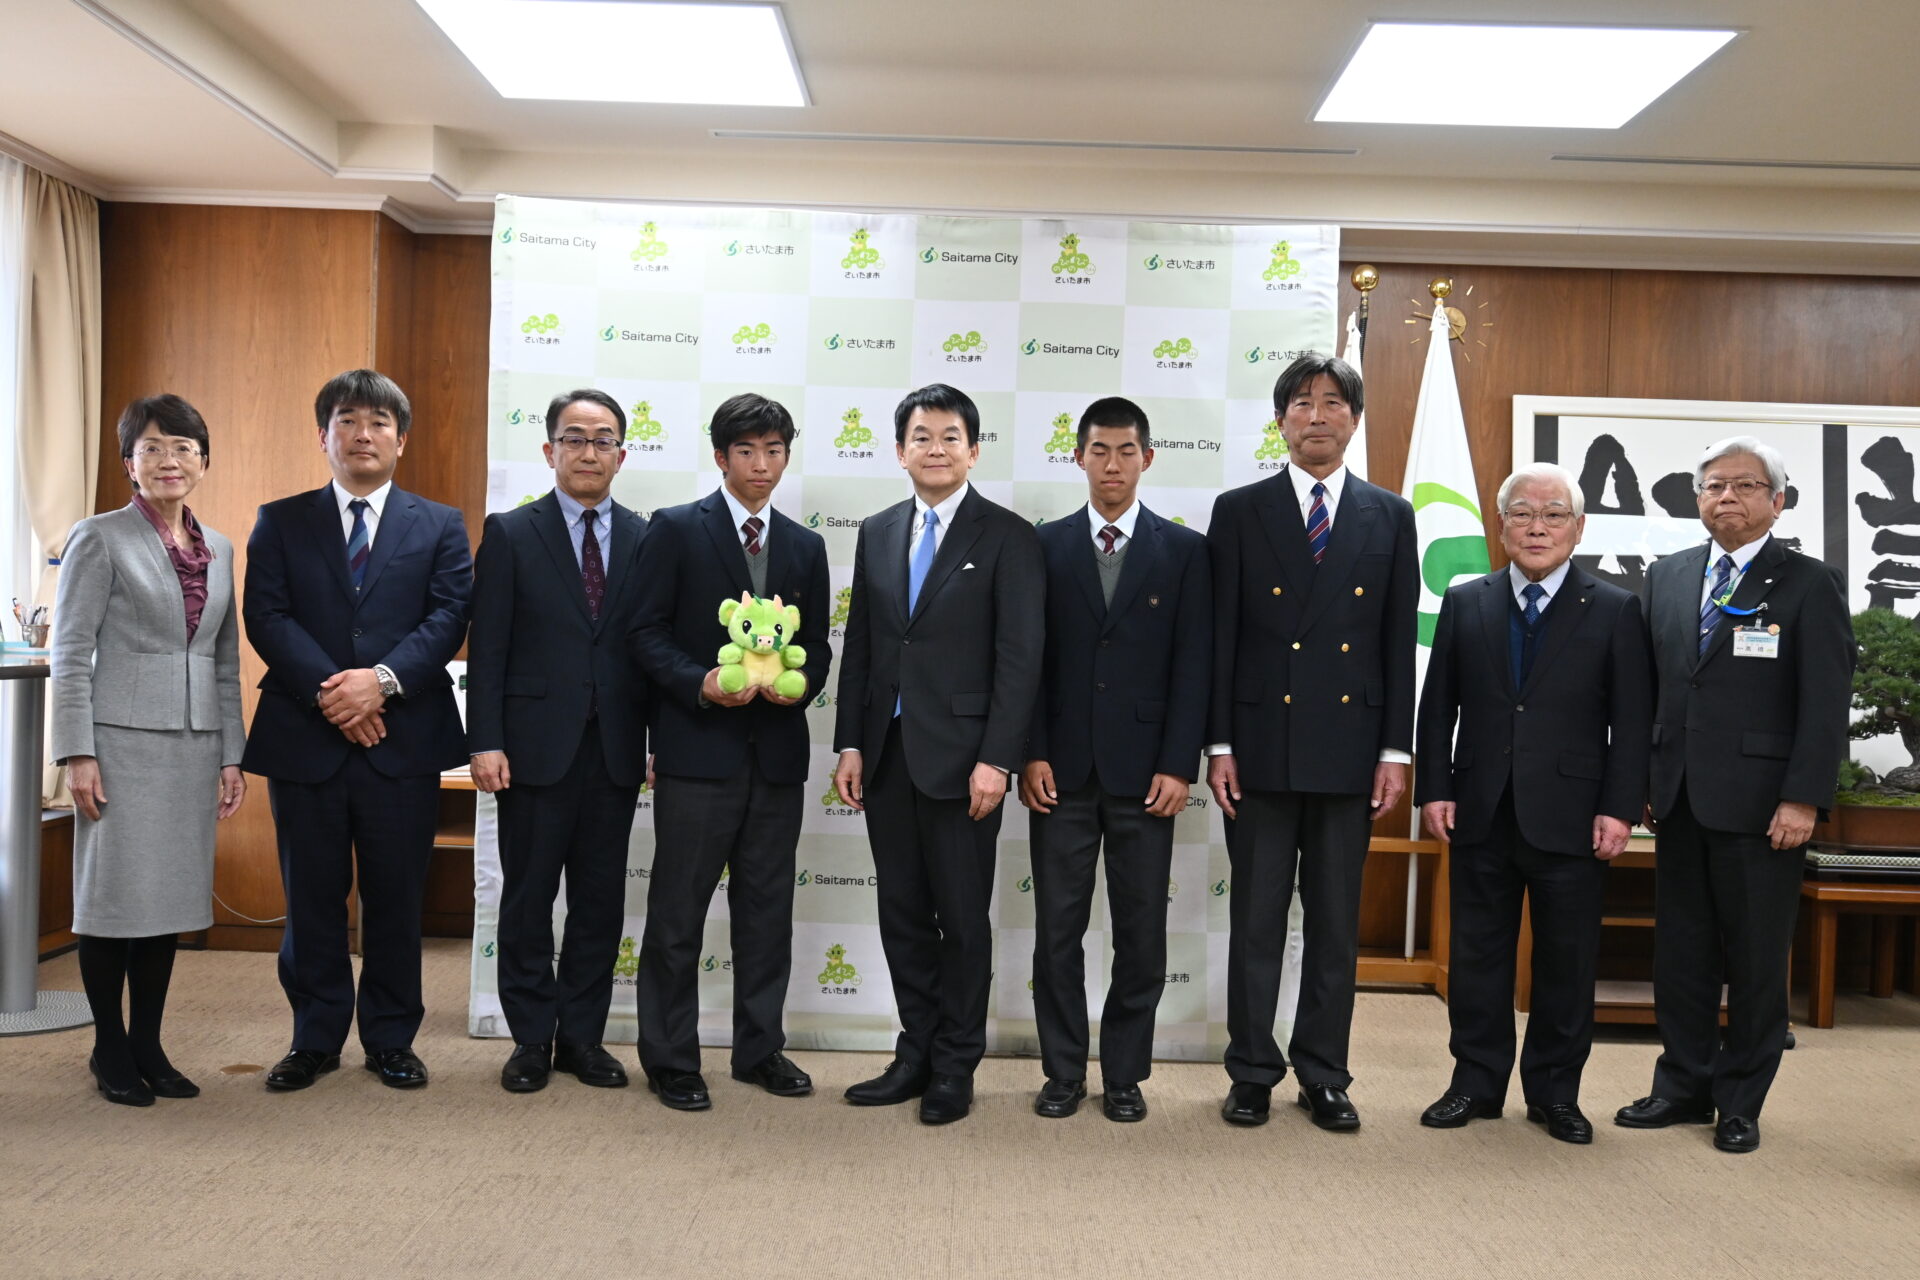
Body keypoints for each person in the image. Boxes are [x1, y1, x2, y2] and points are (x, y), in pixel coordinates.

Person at [1616, 436, 1853, 1154]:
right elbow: (1650, 690)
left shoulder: (1809, 583)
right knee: (1681, 954)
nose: (1728, 497)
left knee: (1754, 960)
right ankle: (1682, 1086)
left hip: (1763, 807)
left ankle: (1741, 1101)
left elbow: (1825, 703)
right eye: (1714, 485)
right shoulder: (1668, 576)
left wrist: (1804, 798)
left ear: (1777, 502)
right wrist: (1643, 781)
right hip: (1679, 797)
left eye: (1746, 486)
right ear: (1698, 499)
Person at [242, 369, 471, 1092]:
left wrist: (382, 682)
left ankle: (391, 1040)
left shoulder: (440, 523)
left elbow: (448, 616)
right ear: (323, 436)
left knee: (397, 898)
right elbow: (266, 615)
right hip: (305, 738)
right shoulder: (281, 519)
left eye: (378, 422)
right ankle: (313, 1039)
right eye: (347, 420)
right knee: (311, 897)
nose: (362, 434)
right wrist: (334, 691)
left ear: (401, 440)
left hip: (403, 738)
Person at [1205, 353, 1417, 1131]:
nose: (1317, 416)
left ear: (1354, 420)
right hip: (1259, 746)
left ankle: (1325, 1073)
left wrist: (1395, 751)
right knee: (1256, 922)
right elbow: (1221, 637)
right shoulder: (1240, 510)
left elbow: (1396, 641)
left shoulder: (1390, 514)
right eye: (1301, 402)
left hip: (1349, 751)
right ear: (1280, 420)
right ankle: (1252, 1071)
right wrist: (1218, 744)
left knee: (1333, 926)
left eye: (1333, 403)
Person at [1414, 462, 1652, 1144]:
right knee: (1477, 958)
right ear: (1502, 525)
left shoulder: (1615, 607)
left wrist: (1620, 808)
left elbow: (1632, 721)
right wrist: (1436, 787)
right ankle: (1475, 1083)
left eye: (1553, 515)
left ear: (1578, 528)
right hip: (1480, 808)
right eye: (1523, 513)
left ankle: (1555, 1093)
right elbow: (1438, 708)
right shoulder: (1467, 600)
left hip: (1575, 817)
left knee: (1566, 963)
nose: (1537, 527)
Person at [831, 383, 1044, 1124]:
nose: (936, 449)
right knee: (901, 914)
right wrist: (851, 741)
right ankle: (914, 1052)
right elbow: (862, 646)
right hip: (888, 755)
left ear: (974, 451)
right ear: (900, 451)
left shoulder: (1008, 536)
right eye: (921, 437)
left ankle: (956, 1064)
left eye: (951, 437)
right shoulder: (879, 530)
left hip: (965, 763)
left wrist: (998, 759)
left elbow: (1020, 658)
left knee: (962, 918)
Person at [629, 393, 830, 1110]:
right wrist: (702, 683)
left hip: (776, 760)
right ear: (720, 456)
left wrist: (796, 688)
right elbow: (644, 632)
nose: (761, 464)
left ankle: (760, 1048)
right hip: (696, 754)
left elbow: (820, 648)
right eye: (746, 450)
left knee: (767, 913)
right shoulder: (676, 528)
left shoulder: (806, 545)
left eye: (774, 450)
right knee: (678, 912)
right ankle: (670, 1057)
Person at [49, 395, 247, 1106]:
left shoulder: (219, 546)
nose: (170, 460)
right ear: (129, 463)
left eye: (184, 447)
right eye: (153, 448)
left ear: (203, 461)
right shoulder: (98, 537)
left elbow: (224, 660)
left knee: (167, 901)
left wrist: (231, 753)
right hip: (118, 745)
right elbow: (69, 651)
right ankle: (109, 1045)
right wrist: (76, 751)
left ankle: (149, 1044)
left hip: (194, 745)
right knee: (115, 899)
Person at [1019, 396, 1210, 1123]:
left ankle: (1125, 1075)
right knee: (1056, 934)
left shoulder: (1184, 550)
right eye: (1099, 450)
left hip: (1146, 776)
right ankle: (1063, 1071)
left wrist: (1179, 764)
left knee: (1141, 935)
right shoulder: (1044, 545)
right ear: (1078, 457)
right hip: (1059, 774)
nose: (1113, 464)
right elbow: (1027, 661)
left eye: (1127, 450)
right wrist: (1032, 751)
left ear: (1148, 458)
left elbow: (1193, 666)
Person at [468, 389, 650, 1094]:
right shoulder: (513, 533)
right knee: (527, 901)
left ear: (621, 456)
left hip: (615, 750)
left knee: (599, 904)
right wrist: (485, 739)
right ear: (550, 451)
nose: (588, 452)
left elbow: (651, 649)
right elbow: (489, 647)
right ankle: (529, 1039)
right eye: (574, 438)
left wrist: (658, 741)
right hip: (532, 750)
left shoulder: (645, 536)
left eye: (603, 440)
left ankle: (582, 1038)